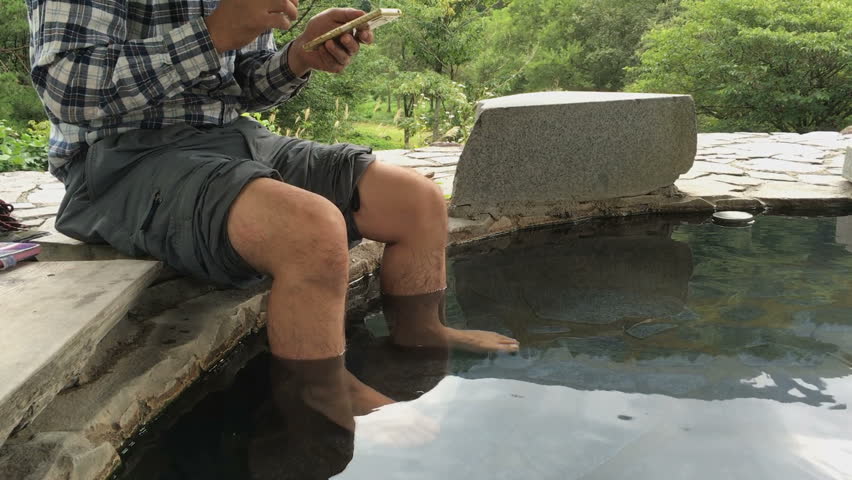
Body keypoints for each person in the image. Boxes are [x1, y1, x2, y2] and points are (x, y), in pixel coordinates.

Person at [26, 0, 519, 419]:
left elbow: (244, 88)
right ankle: (320, 391)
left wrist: (300, 57)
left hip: (230, 137)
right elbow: (68, 93)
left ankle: (421, 332)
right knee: (310, 231)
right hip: (120, 158)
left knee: (417, 202)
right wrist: (212, 32)